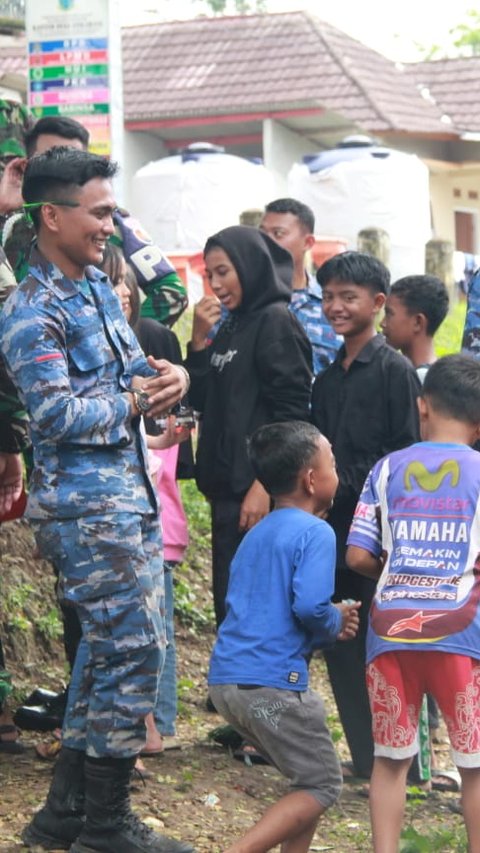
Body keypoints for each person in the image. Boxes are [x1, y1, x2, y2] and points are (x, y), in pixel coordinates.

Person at [0, 146, 193, 853]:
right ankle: (107, 826)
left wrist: (170, 386)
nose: (111, 226)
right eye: (101, 211)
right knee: (132, 651)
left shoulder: (97, 293)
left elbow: (135, 381)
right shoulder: (28, 313)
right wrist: (137, 395)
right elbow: (55, 416)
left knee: (106, 658)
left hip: (129, 500)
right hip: (87, 512)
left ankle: (64, 816)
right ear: (52, 215)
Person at [346, 354, 480, 853]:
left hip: (390, 632)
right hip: (461, 634)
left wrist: (403, 573)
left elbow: (358, 553)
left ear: (423, 408)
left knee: (390, 761)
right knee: (474, 764)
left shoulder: (387, 468)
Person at [208, 420, 359, 853]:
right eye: (332, 461)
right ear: (312, 479)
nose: (336, 469)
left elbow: (260, 608)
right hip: (273, 684)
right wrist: (334, 621)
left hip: (227, 682)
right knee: (322, 784)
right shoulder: (316, 532)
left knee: (306, 782)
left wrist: (327, 621)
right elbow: (311, 606)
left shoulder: (257, 533)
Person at [311, 251, 421, 780]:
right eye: (328, 296)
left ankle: (407, 764)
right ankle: (364, 757)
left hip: (379, 535)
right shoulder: (326, 380)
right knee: (342, 639)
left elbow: (405, 452)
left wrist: (358, 492)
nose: (335, 306)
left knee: (388, 645)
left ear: (378, 304)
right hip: (331, 531)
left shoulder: (395, 371)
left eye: (347, 297)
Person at [186, 225, 312, 628]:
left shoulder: (275, 322)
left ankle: (263, 692)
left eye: (224, 271)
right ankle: (232, 691)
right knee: (230, 606)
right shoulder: (231, 325)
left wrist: (266, 483)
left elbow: (293, 412)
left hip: (259, 498)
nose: (216, 284)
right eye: (210, 275)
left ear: (250, 266)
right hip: (227, 495)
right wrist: (198, 343)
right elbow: (202, 402)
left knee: (259, 611)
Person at [1, 113, 188, 328]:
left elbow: (172, 293)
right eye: (49, 156)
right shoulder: (10, 225)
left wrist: (122, 334)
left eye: (72, 156)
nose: (62, 166)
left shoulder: (115, 223)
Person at [259, 198, 343, 375]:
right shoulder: (241, 302)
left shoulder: (331, 305)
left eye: (278, 233)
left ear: (308, 243)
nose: (266, 241)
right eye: (263, 233)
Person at [381, 274, 449, 381]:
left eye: (389, 314)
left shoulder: (420, 382)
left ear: (418, 322)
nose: (382, 323)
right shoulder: (440, 376)